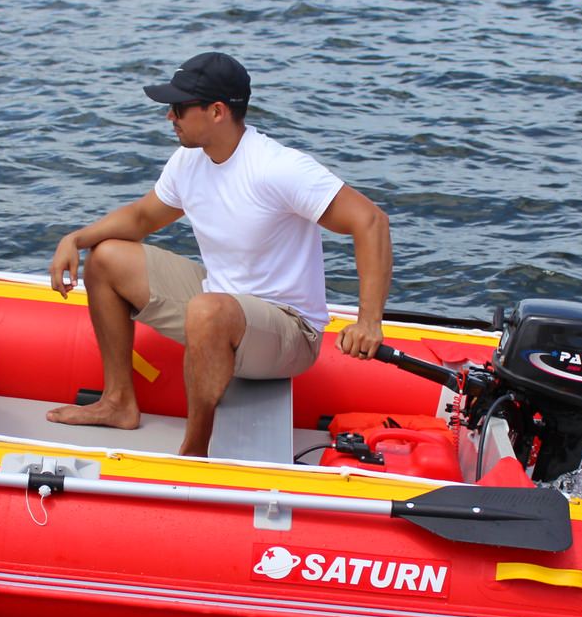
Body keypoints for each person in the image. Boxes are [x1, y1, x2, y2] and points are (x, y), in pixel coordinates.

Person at [45, 52, 391, 456]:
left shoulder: (276, 167)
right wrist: (76, 239)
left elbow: (371, 222)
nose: (169, 117)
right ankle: (118, 402)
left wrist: (369, 321)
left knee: (207, 310)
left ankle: (194, 452)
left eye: (178, 108)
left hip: (290, 329)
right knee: (105, 259)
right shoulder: (188, 161)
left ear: (216, 111)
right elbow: (140, 217)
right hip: (221, 300)